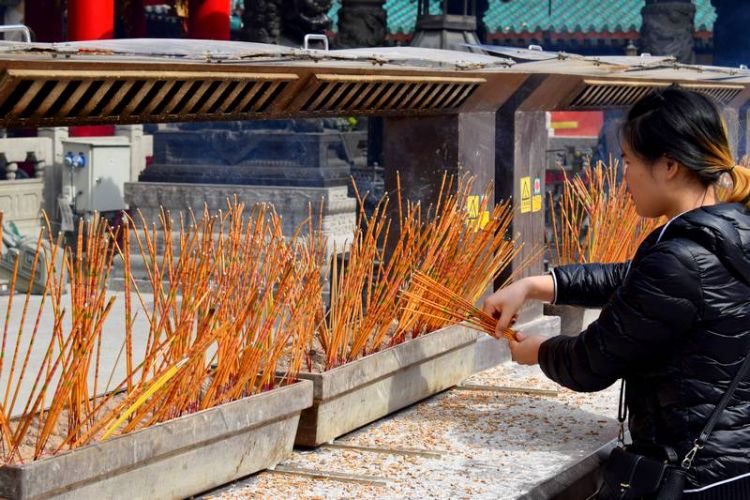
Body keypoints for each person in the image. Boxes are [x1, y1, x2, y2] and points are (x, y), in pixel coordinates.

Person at [483, 87, 750, 497]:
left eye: (627, 161)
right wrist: (539, 284)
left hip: (696, 478)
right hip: (735, 465)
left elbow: (591, 362)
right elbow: (631, 278)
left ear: (668, 165)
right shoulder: (729, 233)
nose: (624, 176)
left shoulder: (681, 258)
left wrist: (537, 350)